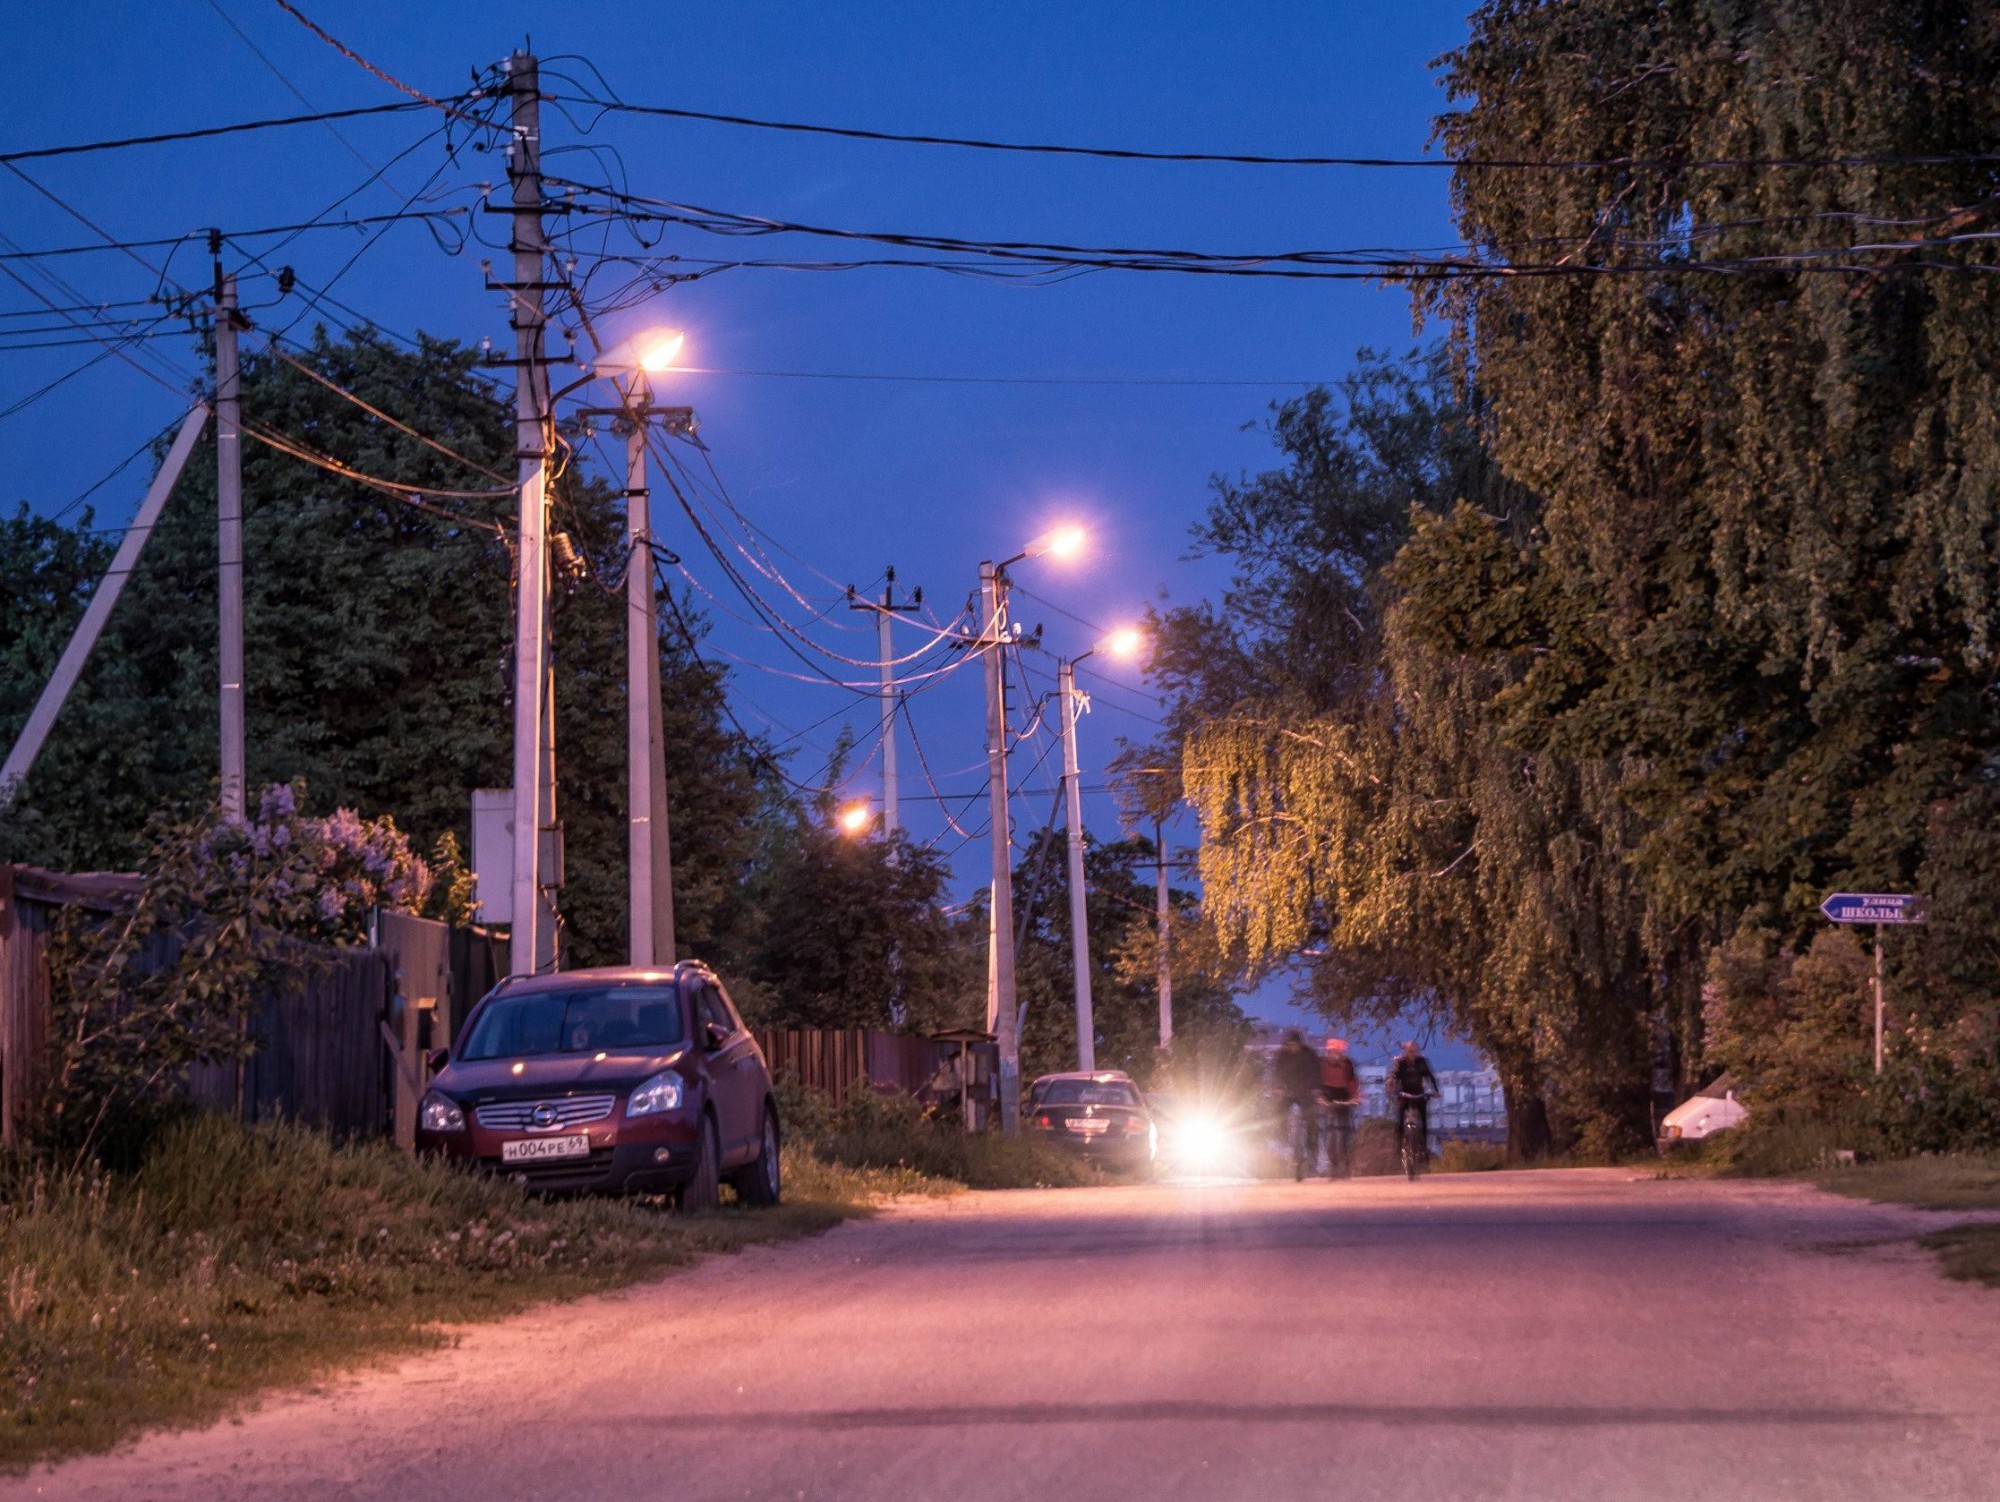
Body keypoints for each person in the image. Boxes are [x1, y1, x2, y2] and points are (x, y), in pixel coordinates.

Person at [1273, 1030, 1321, 1179]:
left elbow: (1316, 1072)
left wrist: (1316, 1088)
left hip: (1306, 1091)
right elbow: (1277, 1073)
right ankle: (1282, 1138)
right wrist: (1278, 1088)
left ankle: (1312, 1152)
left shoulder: (1310, 1055)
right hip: (1288, 1091)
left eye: (1295, 1045)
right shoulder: (1282, 1055)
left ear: (1300, 1044)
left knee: (1312, 1119)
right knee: (1278, 1111)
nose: (1292, 1047)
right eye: (1290, 1045)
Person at [1386, 1039, 1441, 1164]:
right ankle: (1398, 1149)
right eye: (1410, 1051)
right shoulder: (1400, 1063)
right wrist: (1391, 1083)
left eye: (1415, 1051)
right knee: (1400, 1120)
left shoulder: (1422, 1062)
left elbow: (1429, 1077)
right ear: (1405, 1051)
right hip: (1404, 1094)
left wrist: (1435, 1091)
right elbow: (1394, 1075)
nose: (1413, 1054)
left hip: (1419, 1094)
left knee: (1424, 1121)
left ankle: (1424, 1148)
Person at [1319, 1037, 1360, 1178]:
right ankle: (1333, 1166)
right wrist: (1320, 1097)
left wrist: (1355, 1098)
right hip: (1328, 1097)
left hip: (1344, 1098)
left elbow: (1353, 1082)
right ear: (1328, 1052)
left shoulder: (1347, 1065)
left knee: (1343, 1134)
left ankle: (1346, 1164)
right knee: (1330, 1134)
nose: (1335, 1056)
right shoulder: (1322, 1064)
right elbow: (1317, 1083)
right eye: (1332, 1052)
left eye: (1338, 1053)